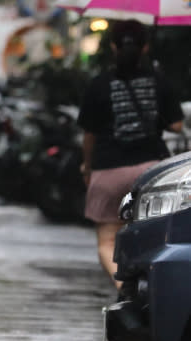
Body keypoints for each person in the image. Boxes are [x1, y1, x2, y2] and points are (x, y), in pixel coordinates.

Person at [77, 19, 184, 289]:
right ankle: (149, 292)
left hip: (108, 169)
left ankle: (123, 288)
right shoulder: (159, 81)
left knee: (107, 241)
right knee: (153, 238)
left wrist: (87, 167)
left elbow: (89, 134)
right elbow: (176, 126)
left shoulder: (99, 84)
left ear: (112, 46)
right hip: (151, 172)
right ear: (145, 47)